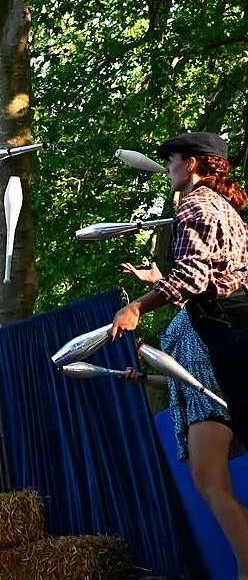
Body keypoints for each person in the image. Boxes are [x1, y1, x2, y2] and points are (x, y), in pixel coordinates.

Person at [111, 132, 248, 452]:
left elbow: (192, 276)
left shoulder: (194, 205)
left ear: (190, 164)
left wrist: (136, 308)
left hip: (229, 330)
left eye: (172, 161)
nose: (168, 168)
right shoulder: (227, 209)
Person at [122, 263, 248, 578]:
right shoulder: (186, 314)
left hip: (211, 392)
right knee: (211, 486)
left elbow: (189, 288)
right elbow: (178, 381)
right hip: (194, 398)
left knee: (209, 482)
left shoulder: (204, 306)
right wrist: (145, 379)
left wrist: (158, 282)